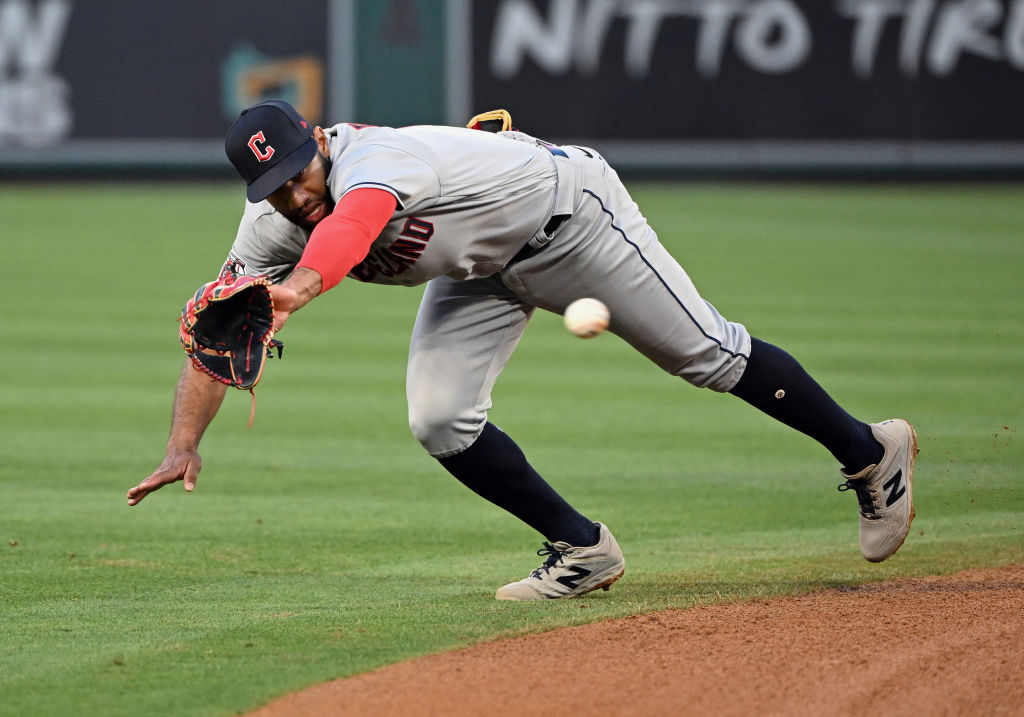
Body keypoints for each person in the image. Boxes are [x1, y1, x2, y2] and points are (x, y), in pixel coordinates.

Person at [127, 100, 918, 601]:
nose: (296, 194)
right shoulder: (268, 226)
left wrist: (299, 287)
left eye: (301, 172)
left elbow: (352, 224)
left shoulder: (374, 158)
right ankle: (583, 548)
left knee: (707, 353)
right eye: (277, 190)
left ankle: (869, 452)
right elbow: (217, 336)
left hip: (572, 221)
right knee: (438, 418)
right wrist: (183, 441)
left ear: (319, 143)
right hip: (480, 271)